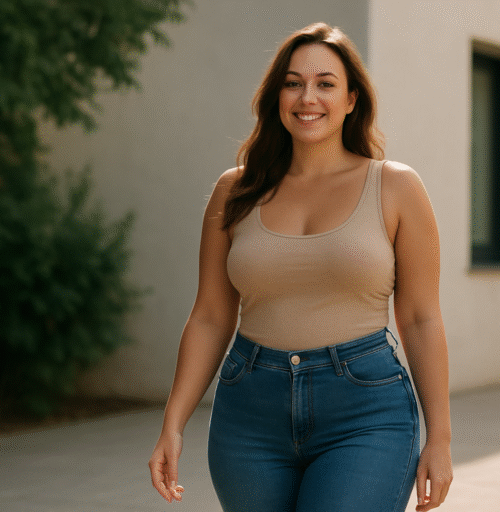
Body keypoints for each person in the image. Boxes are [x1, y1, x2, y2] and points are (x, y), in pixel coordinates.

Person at [149, 22, 453, 512]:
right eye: (293, 82)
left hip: (365, 412)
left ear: (352, 99)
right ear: (277, 96)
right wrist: (173, 423)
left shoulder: (395, 187)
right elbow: (209, 315)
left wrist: (439, 438)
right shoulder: (235, 190)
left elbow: (420, 317)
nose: (307, 96)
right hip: (249, 412)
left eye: (325, 83)